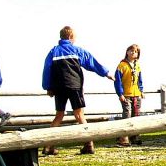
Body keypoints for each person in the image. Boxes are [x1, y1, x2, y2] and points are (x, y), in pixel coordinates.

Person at [41, 26, 114, 155]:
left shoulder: (54, 51)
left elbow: (47, 69)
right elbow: (91, 62)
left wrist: (48, 87)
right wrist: (106, 73)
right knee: (80, 115)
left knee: (59, 115)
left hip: (59, 87)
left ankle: (48, 146)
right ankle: (89, 144)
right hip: (75, 86)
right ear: (70, 37)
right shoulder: (77, 50)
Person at [114, 44, 144, 147]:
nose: (133, 53)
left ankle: (134, 136)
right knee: (127, 114)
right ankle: (123, 138)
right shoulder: (122, 65)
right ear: (127, 52)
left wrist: (141, 90)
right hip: (126, 94)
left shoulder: (138, 65)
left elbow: (140, 79)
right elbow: (117, 81)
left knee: (136, 115)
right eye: (131, 51)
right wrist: (120, 93)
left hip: (136, 94)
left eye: (135, 52)